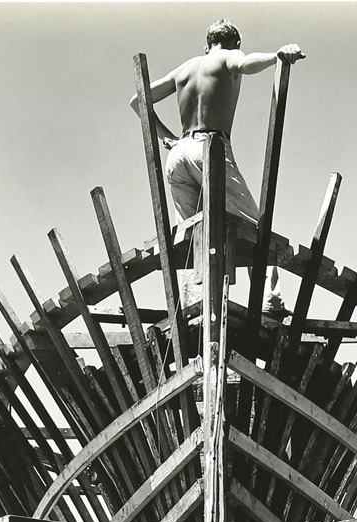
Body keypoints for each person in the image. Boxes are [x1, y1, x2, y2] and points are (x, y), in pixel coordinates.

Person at [130, 20, 304, 313]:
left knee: (189, 236)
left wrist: (170, 137)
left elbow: (138, 101)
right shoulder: (227, 56)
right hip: (210, 149)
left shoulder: (185, 68)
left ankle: (191, 305)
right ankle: (271, 301)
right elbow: (245, 63)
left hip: (179, 155)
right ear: (234, 42)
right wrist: (278, 55)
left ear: (206, 44)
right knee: (255, 227)